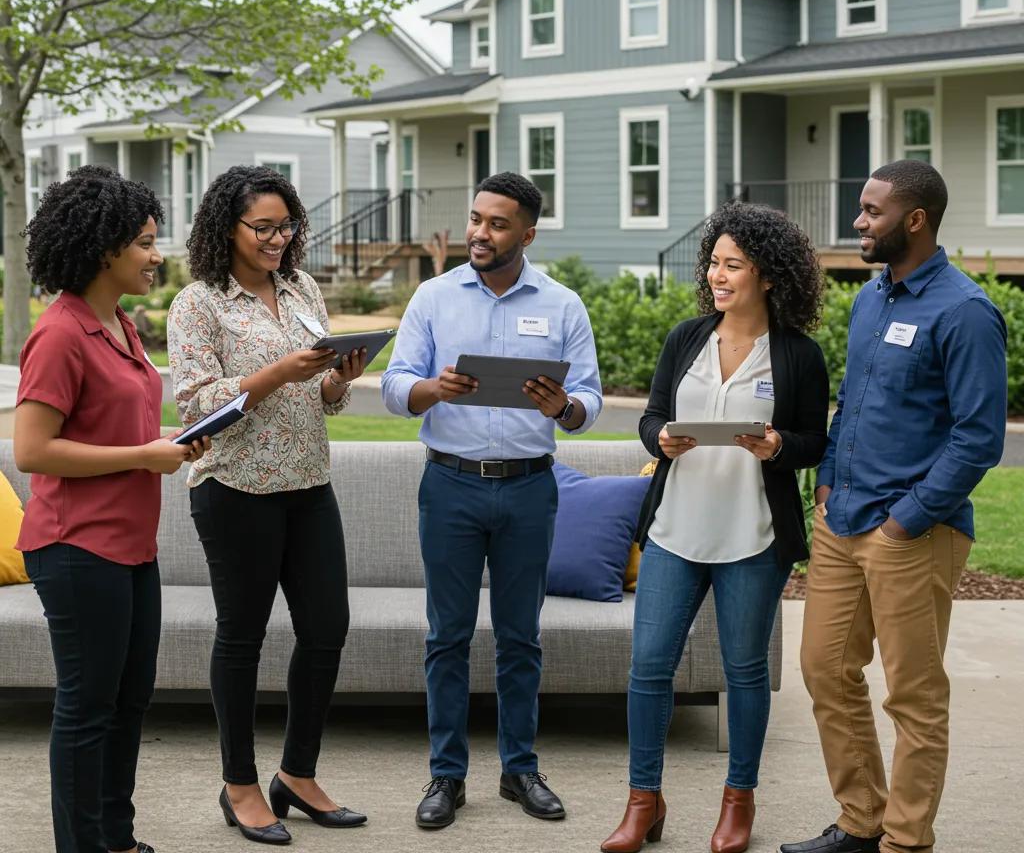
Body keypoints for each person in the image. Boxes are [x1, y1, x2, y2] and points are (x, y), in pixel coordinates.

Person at [781, 161, 1006, 853]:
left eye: (872, 212)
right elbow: (851, 401)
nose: (858, 222)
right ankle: (860, 818)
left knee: (913, 696)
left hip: (913, 531)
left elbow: (979, 438)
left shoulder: (965, 312)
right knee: (824, 670)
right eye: (860, 208)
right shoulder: (875, 299)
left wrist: (909, 518)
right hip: (843, 518)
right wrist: (825, 481)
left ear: (915, 220)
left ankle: (905, 840)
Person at [601, 203, 830, 853]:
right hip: (676, 530)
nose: (717, 275)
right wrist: (663, 438)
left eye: (733, 264)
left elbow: (816, 439)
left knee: (744, 672)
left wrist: (780, 445)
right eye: (715, 263)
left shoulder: (797, 355)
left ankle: (739, 803)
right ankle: (642, 801)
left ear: (768, 275)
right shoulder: (686, 338)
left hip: (754, 538)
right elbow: (649, 416)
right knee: (648, 669)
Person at [382, 172, 603, 830]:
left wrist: (562, 406)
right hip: (448, 484)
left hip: (531, 486)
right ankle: (446, 777)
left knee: (520, 638)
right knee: (447, 637)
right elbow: (394, 388)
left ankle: (520, 770)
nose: (480, 232)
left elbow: (587, 404)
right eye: (476, 218)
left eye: (497, 223)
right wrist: (433, 389)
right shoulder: (433, 296)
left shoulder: (563, 305)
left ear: (527, 234)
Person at [166, 165, 368, 846]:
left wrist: (339, 380)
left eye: (287, 225)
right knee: (242, 636)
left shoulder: (302, 288)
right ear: (227, 227)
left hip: (309, 484)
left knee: (326, 628)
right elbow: (193, 406)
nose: (280, 238)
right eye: (265, 227)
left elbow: (324, 400)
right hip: (236, 490)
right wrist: (276, 373)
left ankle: (298, 776)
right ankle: (240, 784)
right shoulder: (199, 303)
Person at [14, 165, 209, 853]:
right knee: (87, 708)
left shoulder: (120, 325)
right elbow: (33, 450)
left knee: (128, 703)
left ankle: (116, 840)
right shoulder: (62, 333)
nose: (158, 256)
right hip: (75, 547)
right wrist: (141, 456)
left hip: (130, 547)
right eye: (146, 243)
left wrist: (167, 445)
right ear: (105, 249)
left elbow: (118, 429)